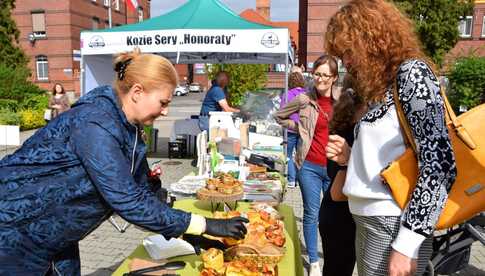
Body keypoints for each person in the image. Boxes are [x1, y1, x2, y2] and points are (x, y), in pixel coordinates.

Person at [0, 49, 248, 275]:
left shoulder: (128, 128)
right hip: (14, 233)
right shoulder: (95, 123)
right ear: (137, 92)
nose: (165, 111)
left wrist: (190, 233)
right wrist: (204, 223)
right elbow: (127, 200)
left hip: (55, 235)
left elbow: (143, 191)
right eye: (163, 102)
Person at [324, 1, 456, 275]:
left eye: (349, 51)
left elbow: (439, 165)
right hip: (370, 221)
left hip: (393, 223)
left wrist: (407, 245)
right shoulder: (379, 86)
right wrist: (351, 157)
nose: (346, 61)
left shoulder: (411, 74)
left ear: (372, 39)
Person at [274, 54, 338, 276]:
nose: (320, 79)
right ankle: (313, 261)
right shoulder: (304, 99)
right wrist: (298, 127)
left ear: (334, 77)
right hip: (309, 166)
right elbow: (279, 115)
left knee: (332, 218)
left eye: (325, 75)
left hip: (334, 168)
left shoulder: (343, 101)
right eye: (317, 74)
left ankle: (332, 257)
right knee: (311, 213)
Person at [319, 75, 366, 276]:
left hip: (335, 216)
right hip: (341, 218)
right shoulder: (353, 132)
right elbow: (339, 193)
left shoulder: (344, 124)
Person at [280, 72, 306, 188]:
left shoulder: (287, 94)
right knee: (301, 156)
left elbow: (281, 112)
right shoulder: (307, 95)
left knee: (288, 155)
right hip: (303, 129)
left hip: (290, 129)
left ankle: (291, 180)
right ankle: (302, 180)